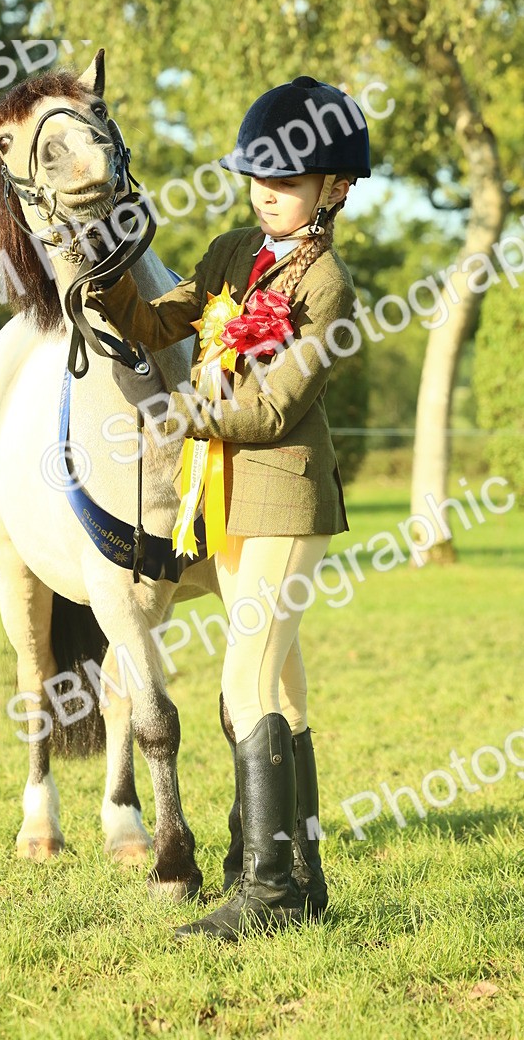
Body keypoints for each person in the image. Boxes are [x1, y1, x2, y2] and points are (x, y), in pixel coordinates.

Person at [84, 75, 371, 939]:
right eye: (258, 179)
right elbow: (160, 321)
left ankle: (267, 890)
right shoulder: (231, 251)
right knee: (283, 679)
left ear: (334, 190)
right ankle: (300, 878)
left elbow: (273, 408)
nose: (266, 196)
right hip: (230, 500)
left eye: (284, 184)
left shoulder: (328, 288)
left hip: (284, 495)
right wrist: (107, 277)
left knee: (244, 675)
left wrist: (184, 414)